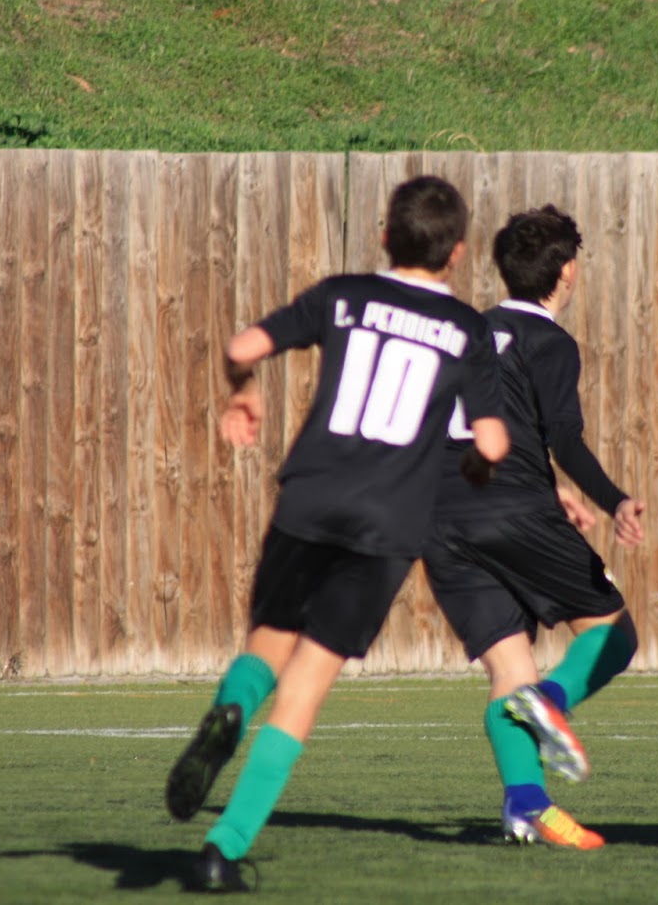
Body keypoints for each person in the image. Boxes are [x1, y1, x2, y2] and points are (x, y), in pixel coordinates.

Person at [163, 175, 515, 892]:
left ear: (385, 236)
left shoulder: (344, 295)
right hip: (387, 527)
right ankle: (222, 849)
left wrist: (244, 390)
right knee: (305, 689)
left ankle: (231, 708)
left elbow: (243, 344)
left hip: (310, 499)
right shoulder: (468, 331)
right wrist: (479, 463)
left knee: (266, 647)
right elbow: (492, 441)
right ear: (458, 252)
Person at [425, 205, 647, 851]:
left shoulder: (464, 332)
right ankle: (551, 701)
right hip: (513, 509)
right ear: (568, 271)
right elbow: (563, 438)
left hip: (442, 520)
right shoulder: (549, 343)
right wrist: (613, 499)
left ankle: (525, 806)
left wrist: (552, 494)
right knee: (613, 634)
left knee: (509, 669)